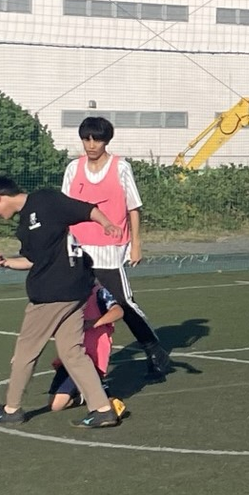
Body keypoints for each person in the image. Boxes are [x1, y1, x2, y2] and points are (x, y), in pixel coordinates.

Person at [0, 175, 123, 429]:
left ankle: (12, 410)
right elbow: (32, 261)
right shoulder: (24, 226)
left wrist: (107, 223)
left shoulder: (45, 200)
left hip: (52, 294)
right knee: (71, 352)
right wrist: (6, 262)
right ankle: (103, 409)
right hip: (73, 292)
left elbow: (87, 210)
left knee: (25, 353)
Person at [63, 116, 172, 379]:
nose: (91, 145)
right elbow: (64, 209)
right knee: (75, 303)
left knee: (123, 301)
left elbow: (133, 207)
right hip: (78, 248)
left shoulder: (120, 167)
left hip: (110, 249)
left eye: (97, 140)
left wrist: (136, 244)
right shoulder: (73, 168)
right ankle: (76, 360)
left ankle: (154, 349)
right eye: (86, 139)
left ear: (106, 141)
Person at [47, 281, 124, 412]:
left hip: (90, 357)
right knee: (53, 404)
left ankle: (96, 389)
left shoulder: (98, 291)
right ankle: (86, 393)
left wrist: (93, 323)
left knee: (57, 404)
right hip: (70, 355)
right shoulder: (65, 293)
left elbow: (118, 311)